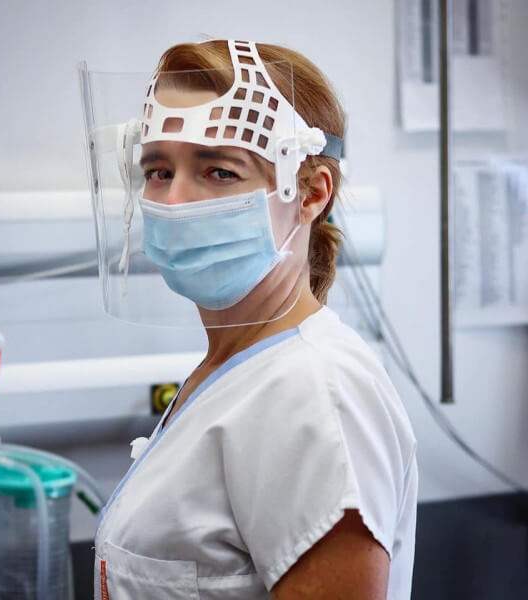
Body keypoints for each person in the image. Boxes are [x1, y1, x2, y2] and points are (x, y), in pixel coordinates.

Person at [84, 38, 417, 599]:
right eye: (158, 170)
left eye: (218, 171)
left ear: (310, 194)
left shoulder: (317, 396)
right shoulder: (234, 368)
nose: (173, 201)